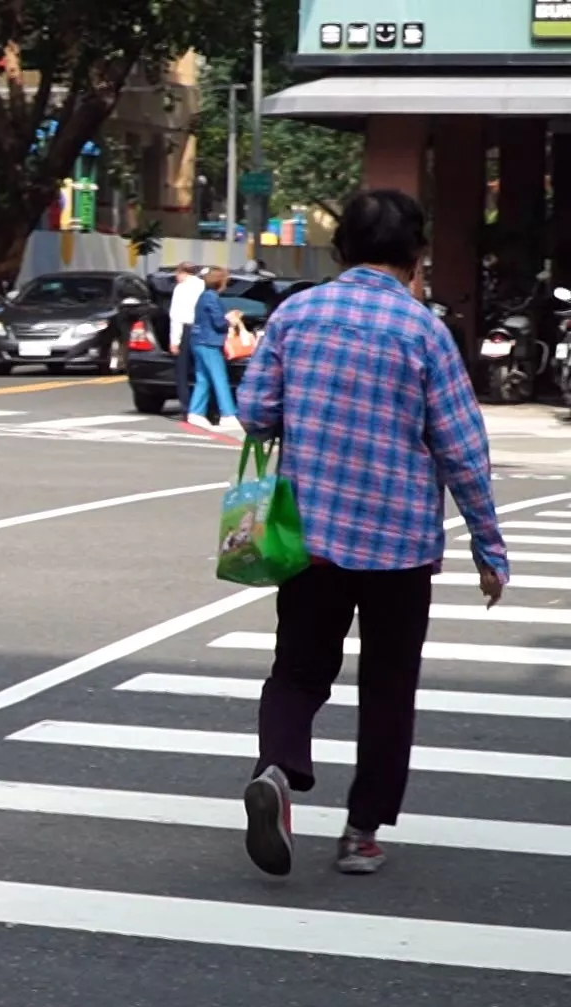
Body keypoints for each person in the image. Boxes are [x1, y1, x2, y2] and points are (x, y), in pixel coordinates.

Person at [235, 188, 508, 878]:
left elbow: (256, 413)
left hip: (309, 540)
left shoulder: (296, 315)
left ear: (340, 250)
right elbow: (462, 448)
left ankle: (276, 770)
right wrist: (488, 546)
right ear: (416, 254)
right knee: (388, 689)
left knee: (297, 670)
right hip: (400, 548)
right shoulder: (423, 332)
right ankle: (361, 835)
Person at [186, 267, 238, 430]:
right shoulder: (212, 297)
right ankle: (228, 414)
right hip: (209, 342)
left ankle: (196, 412)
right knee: (219, 378)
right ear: (220, 282)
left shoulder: (204, 296)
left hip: (198, 341)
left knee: (203, 378)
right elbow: (219, 323)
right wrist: (230, 320)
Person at [167, 263, 206, 421]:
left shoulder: (181, 288)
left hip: (186, 330)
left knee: (182, 371)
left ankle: (186, 407)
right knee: (201, 370)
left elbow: (176, 316)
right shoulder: (203, 285)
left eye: (177, 274)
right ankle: (203, 407)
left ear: (183, 272)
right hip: (202, 329)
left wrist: (174, 341)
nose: (176, 277)